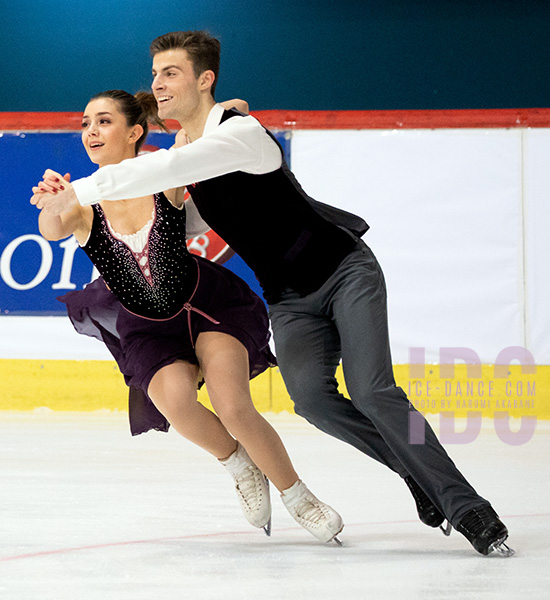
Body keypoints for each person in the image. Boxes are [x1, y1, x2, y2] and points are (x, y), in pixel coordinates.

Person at [32, 31, 513, 557]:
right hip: (289, 299)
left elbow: (167, 167)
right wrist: (65, 208)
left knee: (374, 392)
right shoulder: (189, 155)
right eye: (154, 75)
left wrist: (78, 189)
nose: (158, 83)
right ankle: (416, 472)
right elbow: (167, 203)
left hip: (344, 270)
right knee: (310, 398)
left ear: (204, 79)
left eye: (170, 73)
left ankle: (468, 507)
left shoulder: (241, 134)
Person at [32, 88, 344, 545]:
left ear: (134, 131)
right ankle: (239, 464)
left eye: (103, 121)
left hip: (204, 306)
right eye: (85, 124)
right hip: (146, 325)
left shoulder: (168, 172)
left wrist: (234, 110)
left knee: (233, 405)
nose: (91, 131)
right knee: (175, 404)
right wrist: (53, 200)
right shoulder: (83, 202)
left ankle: (300, 497)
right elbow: (51, 227)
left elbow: (211, 131)